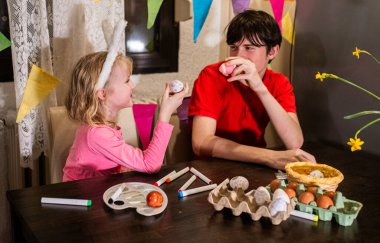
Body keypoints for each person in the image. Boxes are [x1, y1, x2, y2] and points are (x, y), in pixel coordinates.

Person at [188, 9, 315, 170]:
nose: (238, 55)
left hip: (256, 167)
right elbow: (201, 143)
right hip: (212, 167)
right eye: (234, 47)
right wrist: (270, 157)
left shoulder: (279, 83)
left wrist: (259, 88)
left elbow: (295, 142)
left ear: (273, 51)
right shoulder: (212, 76)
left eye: (249, 48)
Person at [63, 51, 188, 181]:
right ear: (103, 94)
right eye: (127, 80)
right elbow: (150, 165)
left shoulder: (102, 125)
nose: (133, 85)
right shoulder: (97, 134)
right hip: (81, 198)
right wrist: (165, 114)